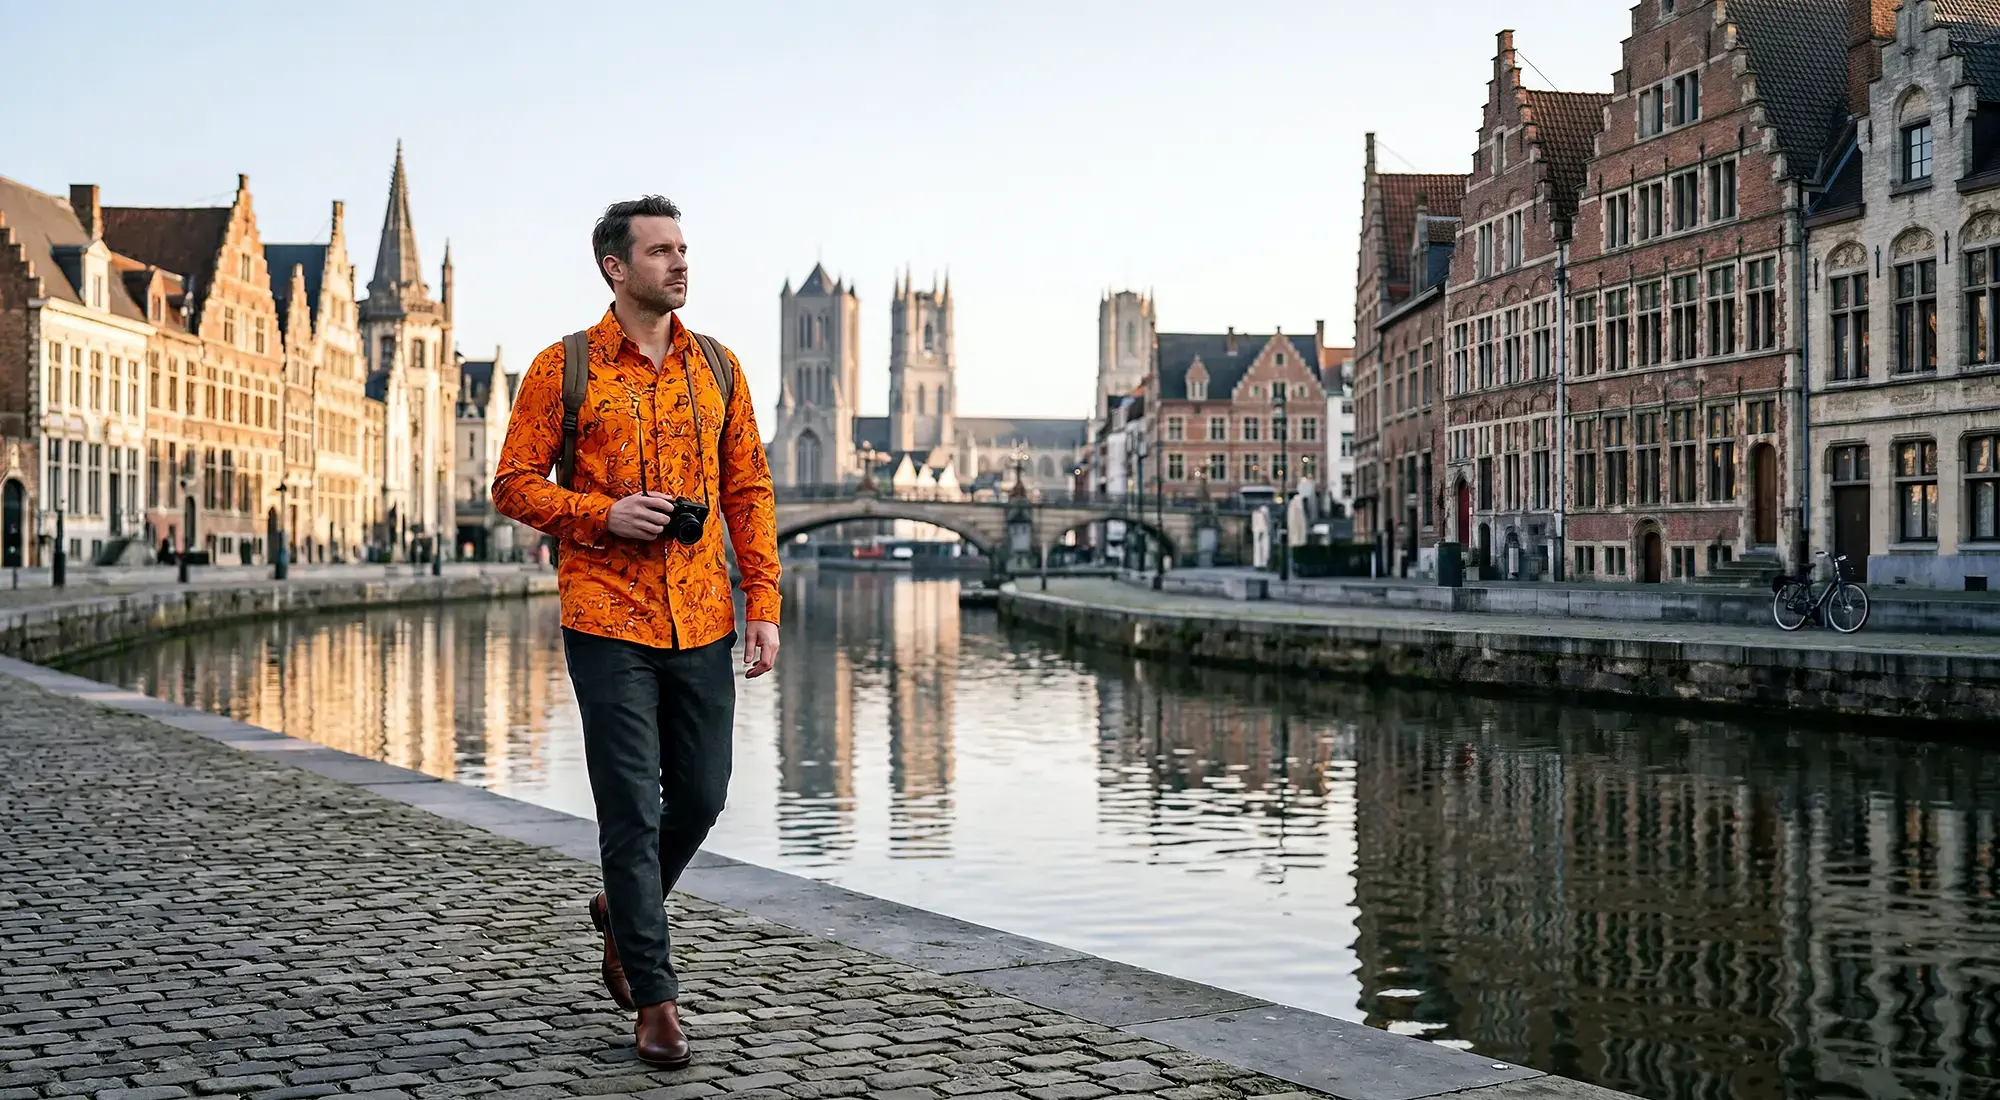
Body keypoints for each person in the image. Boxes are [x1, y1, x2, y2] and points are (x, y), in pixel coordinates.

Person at [491, 196, 781, 1068]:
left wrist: (761, 603)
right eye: (660, 252)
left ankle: (623, 908)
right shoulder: (562, 368)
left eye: (683, 249)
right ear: (616, 268)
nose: (680, 264)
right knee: (627, 805)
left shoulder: (720, 370)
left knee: (701, 794)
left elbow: (750, 493)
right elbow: (512, 485)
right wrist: (602, 515)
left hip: (699, 615)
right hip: (604, 616)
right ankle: (655, 999)